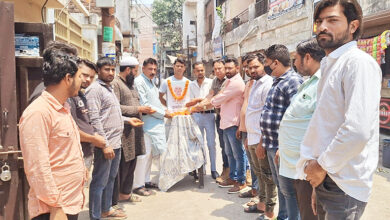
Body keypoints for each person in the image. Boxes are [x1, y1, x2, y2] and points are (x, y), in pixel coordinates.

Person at [296, 1, 381, 219]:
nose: (323, 27)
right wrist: (318, 180)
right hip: (326, 178)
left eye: (332, 20)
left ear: (353, 26)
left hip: (343, 183)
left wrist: (320, 166)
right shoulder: (330, 64)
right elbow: (325, 125)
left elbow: (357, 131)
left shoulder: (357, 63)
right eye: (319, 21)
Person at [19, 47, 85, 220]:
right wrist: (56, 207)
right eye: (79, 76)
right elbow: (37, 167)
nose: (83, 81)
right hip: (52, 211)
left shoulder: (63, 107)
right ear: (68, 78)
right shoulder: (38, 112)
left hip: (69, 203)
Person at [278, 39, 325, 220]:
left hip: (308, 167)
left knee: (308, 214)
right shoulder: (308, 82)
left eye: (296, 59)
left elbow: (321, 127)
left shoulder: (322, 83)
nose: (294, 64)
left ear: (307, 58)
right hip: (294, 163)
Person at [258, 44, 303, 219]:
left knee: (289, 191)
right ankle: (282, 217)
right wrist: (264, 140)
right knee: (281, 187)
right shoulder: (278, 81)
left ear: (275, 62)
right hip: (272, 144)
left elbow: (296, 117)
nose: (267, 67)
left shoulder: (293, 81)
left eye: (267, 63)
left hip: (281, 146)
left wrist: (283, 147)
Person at [87, 57, 127, 220]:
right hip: (105, 144)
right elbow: (94, 118)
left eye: (112, 69)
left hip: (116, 142)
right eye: (107, 69)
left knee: (110, 178)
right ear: (98, 70)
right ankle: (95, 215)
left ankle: (106, 209)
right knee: (99, 181)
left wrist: (128, 120)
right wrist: (104, 145)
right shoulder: (95, 89)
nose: (111, 72)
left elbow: (110, 114)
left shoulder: (109, 88)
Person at [111, 55, 154, 200]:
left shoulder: (131, 83)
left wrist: (142, 109)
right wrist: (138, 109)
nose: (136, 74)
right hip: (124, 131)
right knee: (123, 165)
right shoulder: (116, 84)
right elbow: (116, 107)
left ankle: (125, 194)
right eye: (135, 71)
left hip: (135, 130)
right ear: (128, 70)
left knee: (132, 163)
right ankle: (116, 197)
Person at [242, 53, 276, 215]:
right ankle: (262, 205)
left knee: (267, 177)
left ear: (264, 65)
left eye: (256, 66)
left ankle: (269, 212)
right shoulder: (254, 83)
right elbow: (253, 112)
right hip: (253, 137)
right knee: (259, 176)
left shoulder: (268, 84)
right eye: (250, 67)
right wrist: (249, 136)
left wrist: (263, 141)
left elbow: (267, 114)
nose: (252, 70)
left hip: (262, 140)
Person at [211, 57, 247, 194]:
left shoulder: (236, 83)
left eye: (229, 68)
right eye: (225, 68)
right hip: (225, 122)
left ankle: (241, 181)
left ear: (237, 68)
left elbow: (220, 98)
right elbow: (220, 100)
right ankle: (233, 177)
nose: (227, 71)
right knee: (229, 153)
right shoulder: (229, 82)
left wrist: (208, 102)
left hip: (233, 123)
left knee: (238, 154)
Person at [134, 58, 171, 191]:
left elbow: (155, 102)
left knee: (149, 156)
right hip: (146, 126)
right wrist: (164, 113)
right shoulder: (139, 82)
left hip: (154, 125)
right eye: (150, 69)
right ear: (143, 68)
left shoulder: (151, 82)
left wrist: (164, 110)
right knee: (143, 156)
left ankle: (146, 180)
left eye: (155, 69)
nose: (153, 72)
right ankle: (138, 185)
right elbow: (145, 106)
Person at [67, 59, 106, 171]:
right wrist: (93, 139)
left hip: (87, 151)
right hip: (75, 154)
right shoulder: (69, 96)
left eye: (92, 77)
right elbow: (70, 130)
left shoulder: (80, 94)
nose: (88, 79)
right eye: (84, 75)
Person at [196, 59, 229, 183]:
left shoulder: (229, 81)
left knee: (232, 148)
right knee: (223, 145)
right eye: (215, 69)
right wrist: (198, 105)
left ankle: (238, 176)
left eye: (220, 68)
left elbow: (216, 98)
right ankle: (226, 171)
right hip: (219, 117)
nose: (217, 71)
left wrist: (198, 106)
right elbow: (210, 96)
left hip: (230, 118)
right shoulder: (215, 81)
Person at [187, 61, 219, 179]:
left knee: (211, 143)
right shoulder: (191, 85)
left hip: (209, 116)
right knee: (199, 144)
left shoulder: (211, 83)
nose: (200, 72)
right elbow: (190, 102)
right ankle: (201, 169)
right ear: (194, 72)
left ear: (204, 70)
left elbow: (213, 100)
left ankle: (214, 169)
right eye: (197, 70)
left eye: (202, 70)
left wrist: (199, 101)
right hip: (197, 116)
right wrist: (199, 102)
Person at [236, 55, 258, 198]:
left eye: (252, 67)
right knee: (252, 163)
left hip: (254, 131)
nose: (248, 69)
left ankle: (258, 193)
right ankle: (255, 190)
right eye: (246, 67)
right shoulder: (249, 83)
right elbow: (244, 106)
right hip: (245, 129)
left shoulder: (260, 83)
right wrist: (240, 126)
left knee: (258, 166)